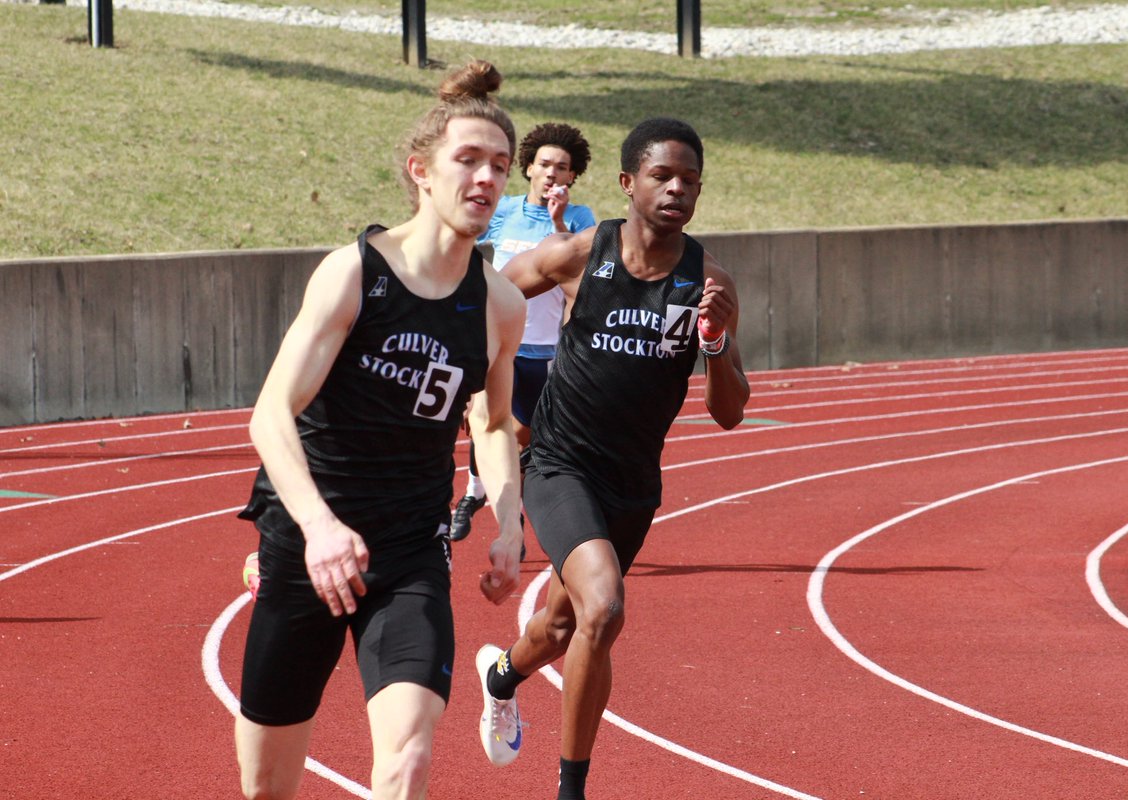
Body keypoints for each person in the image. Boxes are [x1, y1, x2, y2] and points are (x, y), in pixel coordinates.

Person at [232, 60, 526, 800]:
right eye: (468, 159)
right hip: (308, 546)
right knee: (267, 788)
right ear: (421, 171)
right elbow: (271, 412)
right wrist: (319, 528)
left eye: (500, 165)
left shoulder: (499, 304)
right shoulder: (354, 274)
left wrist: (509, 522)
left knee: (408, 761)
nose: (486, 178)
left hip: (408, 553)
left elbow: (492, 420)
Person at [472, 117, 751, 799]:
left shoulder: (708, 283)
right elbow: (486, 301)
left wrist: (715, 342)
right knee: (603, 608)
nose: (676, 189)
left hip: (632, 484)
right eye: (662, 175)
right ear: (628, 182)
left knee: (562, 624)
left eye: (689, 180)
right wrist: (486, 391)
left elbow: (729, 412)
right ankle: (572, 791)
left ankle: (502, 676)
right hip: (559, 464)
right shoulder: (579, 254)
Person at [449, 122, 596, 544]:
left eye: (562, 167)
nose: (552, 173)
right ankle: (480, 496)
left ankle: (491, 497)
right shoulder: (503, 211)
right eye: (544, 164)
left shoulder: (581, 218)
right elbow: (464, 245)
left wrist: (558, 220)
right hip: (499, 343)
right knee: (484, 423)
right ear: (528, 167)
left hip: (545, 350)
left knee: (522, 438)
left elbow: (579, 271)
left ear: (572, 175)